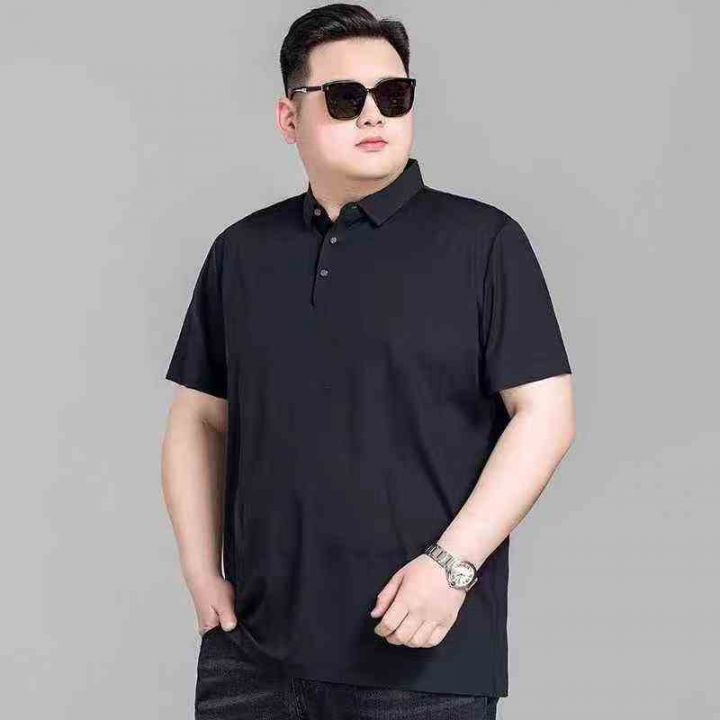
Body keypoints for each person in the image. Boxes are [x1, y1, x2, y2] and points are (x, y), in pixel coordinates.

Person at [161, 4, 575, 718]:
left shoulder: (484, 243)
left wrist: (452, 567)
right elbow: (197, 419)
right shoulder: (242, 252)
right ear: (289, 118)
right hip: (252, 661)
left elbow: (546, 413)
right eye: (345, 98)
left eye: (394, 94)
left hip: (420, 656)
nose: (374, 114)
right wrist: (202, 573)